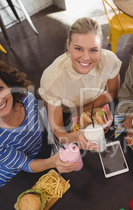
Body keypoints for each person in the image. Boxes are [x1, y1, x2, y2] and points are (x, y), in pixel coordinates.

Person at [0, 57, 79, 188]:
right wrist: (53, 162)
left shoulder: (28, 100)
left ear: (8, 84)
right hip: (16, 178)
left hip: (43, 154)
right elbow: (25, 164)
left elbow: (40, 131)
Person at [39, 17, 121, 150]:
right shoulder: (51, 79)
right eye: (78, 48)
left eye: (93, 50)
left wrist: (81, 111)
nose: (86, 57)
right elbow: (59, 132)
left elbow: (112, 92)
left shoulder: (110, 60)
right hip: (67, 115)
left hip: (99, 105)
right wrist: (77, 136)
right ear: (68, 46)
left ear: (101, 48)